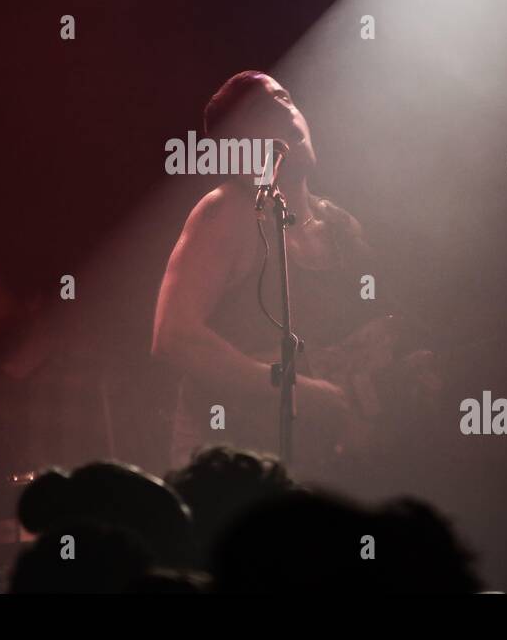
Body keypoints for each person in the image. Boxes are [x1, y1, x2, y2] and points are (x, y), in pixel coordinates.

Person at [152, 71, 376, 474]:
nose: (283, 109)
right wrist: (288, 389)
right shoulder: (226, 213)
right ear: (235, 146)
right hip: (230, 468)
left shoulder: (343, 227)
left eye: (285, 97)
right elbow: (174, 338)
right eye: (261, 109)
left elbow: (363, 341)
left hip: (324, 464)